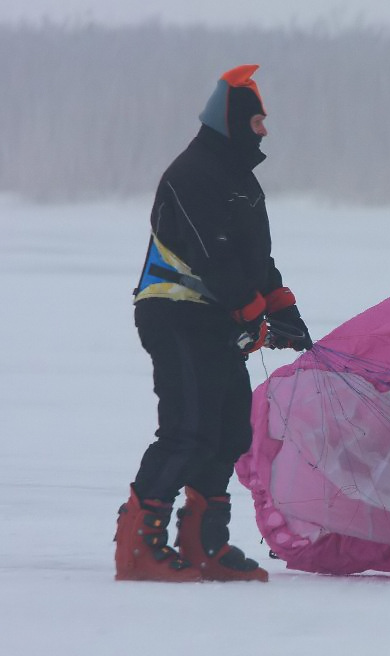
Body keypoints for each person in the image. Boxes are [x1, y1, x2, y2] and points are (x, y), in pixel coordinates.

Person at [114, 65, 313, 582]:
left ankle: (205, 543)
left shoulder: (242, 182)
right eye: (257, 122)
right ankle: (139, 544)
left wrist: (283, 311)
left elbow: (256, 259)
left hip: (217, 318)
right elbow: (211, 255)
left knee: (227, 430)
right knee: (187, 428)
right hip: (175, 312)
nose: (264, 131)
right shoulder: (192, 174)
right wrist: (251, 309)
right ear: (232, 120)